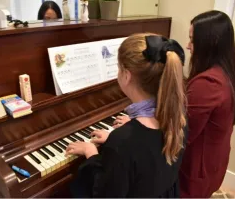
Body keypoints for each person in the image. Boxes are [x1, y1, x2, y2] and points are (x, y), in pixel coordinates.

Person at [65, 33, 187, 198]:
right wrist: (114, 141)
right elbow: (146, 154)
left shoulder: (123, 142)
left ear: (127, 76)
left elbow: (104, 193)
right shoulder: (177, 117)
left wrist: (91, 152)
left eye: (118, 67)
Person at [179, 10, 235, 198]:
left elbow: (180, 135)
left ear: (210, 42)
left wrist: (134, 127)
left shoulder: (209, 84)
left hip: (194, 175)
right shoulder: (225, 72)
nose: (188, 45)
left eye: (192, 39)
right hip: (212, 164)